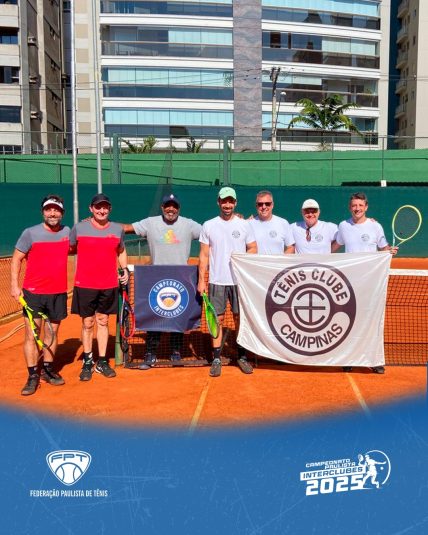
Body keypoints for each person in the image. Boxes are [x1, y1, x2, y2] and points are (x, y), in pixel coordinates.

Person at [122, 193, 202, 367]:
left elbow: (210, 232)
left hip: (181, 278)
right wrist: (102, 225)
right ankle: (150, 352)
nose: (170, 209)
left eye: (174, 206)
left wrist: (239, 221)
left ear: (178, 208)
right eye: (167, 205)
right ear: (162, 207)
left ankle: (175, 351)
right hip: (156, 278)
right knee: (155, 315)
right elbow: (126, 228)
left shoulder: (189, 224)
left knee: (178, 314)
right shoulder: (150, 223)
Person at [11, 195, 70, 396]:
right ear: (43, 212)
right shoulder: (30, 233)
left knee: (52, 333)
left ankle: (47, 369)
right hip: (33, 294)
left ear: (62, 213)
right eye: (48, 209)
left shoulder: (67, 232)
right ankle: (32, 375)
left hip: (58, 293)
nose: (52, 213)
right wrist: (14, 286)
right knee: (31, 334)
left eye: (56, 210)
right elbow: (16, 259)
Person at [333, 192, 397, 374]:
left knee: (372, 320)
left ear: (366, 207)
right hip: (349, 282)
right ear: (349, 207)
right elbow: (334, 246)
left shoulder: (375, 226)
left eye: (360, 205)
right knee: (350, 320)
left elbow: (383, 248)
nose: (357, 209)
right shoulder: (343, 226)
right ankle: (348, 357)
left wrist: (390, 251)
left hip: (371, 282)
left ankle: (374, 359)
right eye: (354, 205)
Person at [198, 186, 257, 377]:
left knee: (240, 319)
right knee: (218, 319)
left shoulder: (244, 225)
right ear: (218, 202)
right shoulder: (209, 225)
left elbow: (253, 248)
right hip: (217, 281)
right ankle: (217, 358)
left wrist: (242, 260)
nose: (227, 204)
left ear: (235, 203)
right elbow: (204, 255)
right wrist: (202, 281)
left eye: (231, 201)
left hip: (239, 282)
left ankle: (242, 356)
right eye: (224, 201)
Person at [70, 193, 129, 381]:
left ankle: (102, 361)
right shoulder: (79, 228)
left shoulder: (117, 229)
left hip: (108, 283)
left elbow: (121, 251)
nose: (101, 210)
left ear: (109, 209)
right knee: (87, 323)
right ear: (91, 209)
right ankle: (87, 361)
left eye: (105, 207)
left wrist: (125, 269)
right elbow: (69, 248)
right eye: (98, 207)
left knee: (103, 321)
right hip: (85, 284)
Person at [248, 190, 294, 254]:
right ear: (256, 206)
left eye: (267, 204)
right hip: (255, 261)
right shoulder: (248, 224)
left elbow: (291, 247)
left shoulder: (283, 223)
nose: (264, 207)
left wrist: (282, 260)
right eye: (260, 204)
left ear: (272, 205)